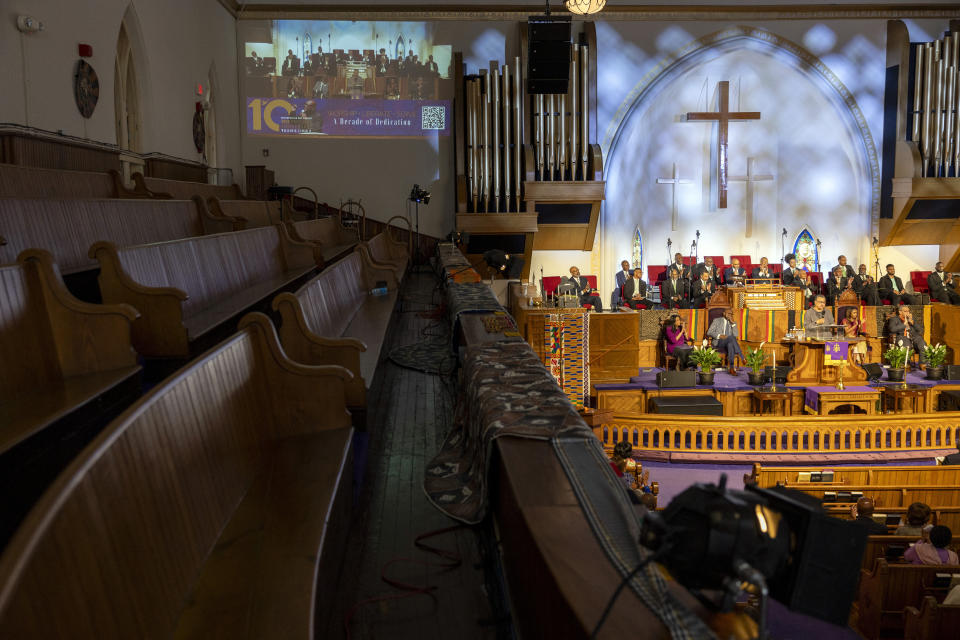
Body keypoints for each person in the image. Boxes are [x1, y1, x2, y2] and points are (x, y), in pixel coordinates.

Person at [707, 308, 745, 372]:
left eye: (731, 314)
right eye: (728, 313)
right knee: (731, 338)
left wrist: (733, 324)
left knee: (730, 343)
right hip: (718, 341)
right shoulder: (717, 320)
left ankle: (732, 368)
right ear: (724, 313)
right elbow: (709, 332)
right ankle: (742, 357)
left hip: (729, 342)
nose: (729, 315)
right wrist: (719, 335)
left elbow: (735, 335)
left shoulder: (732, 322)